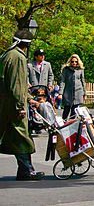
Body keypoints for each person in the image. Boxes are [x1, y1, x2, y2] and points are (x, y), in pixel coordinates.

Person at [1, 29, 44, 180]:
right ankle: (26, 171)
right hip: (13, 106)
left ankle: (25, 170)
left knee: (15, 137)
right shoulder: (18, 57)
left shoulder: (7, 54)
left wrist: (30, 98)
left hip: (6, 104)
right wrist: (21, 106)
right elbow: (17, 85)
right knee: (22, 136)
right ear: (27, 44)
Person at [60, 53, 86, 120]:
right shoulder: (66, 69)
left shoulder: (80, 69)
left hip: (78, 92)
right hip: (68, 92)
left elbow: (83, 81)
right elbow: (62, 81)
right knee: (66, 109)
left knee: (74, 110)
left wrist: (84, 93)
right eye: (72, 61)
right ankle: (64, 123)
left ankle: (71, 125)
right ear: (70, 62)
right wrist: (60, 93)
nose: (74, 63)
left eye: (76, 61)